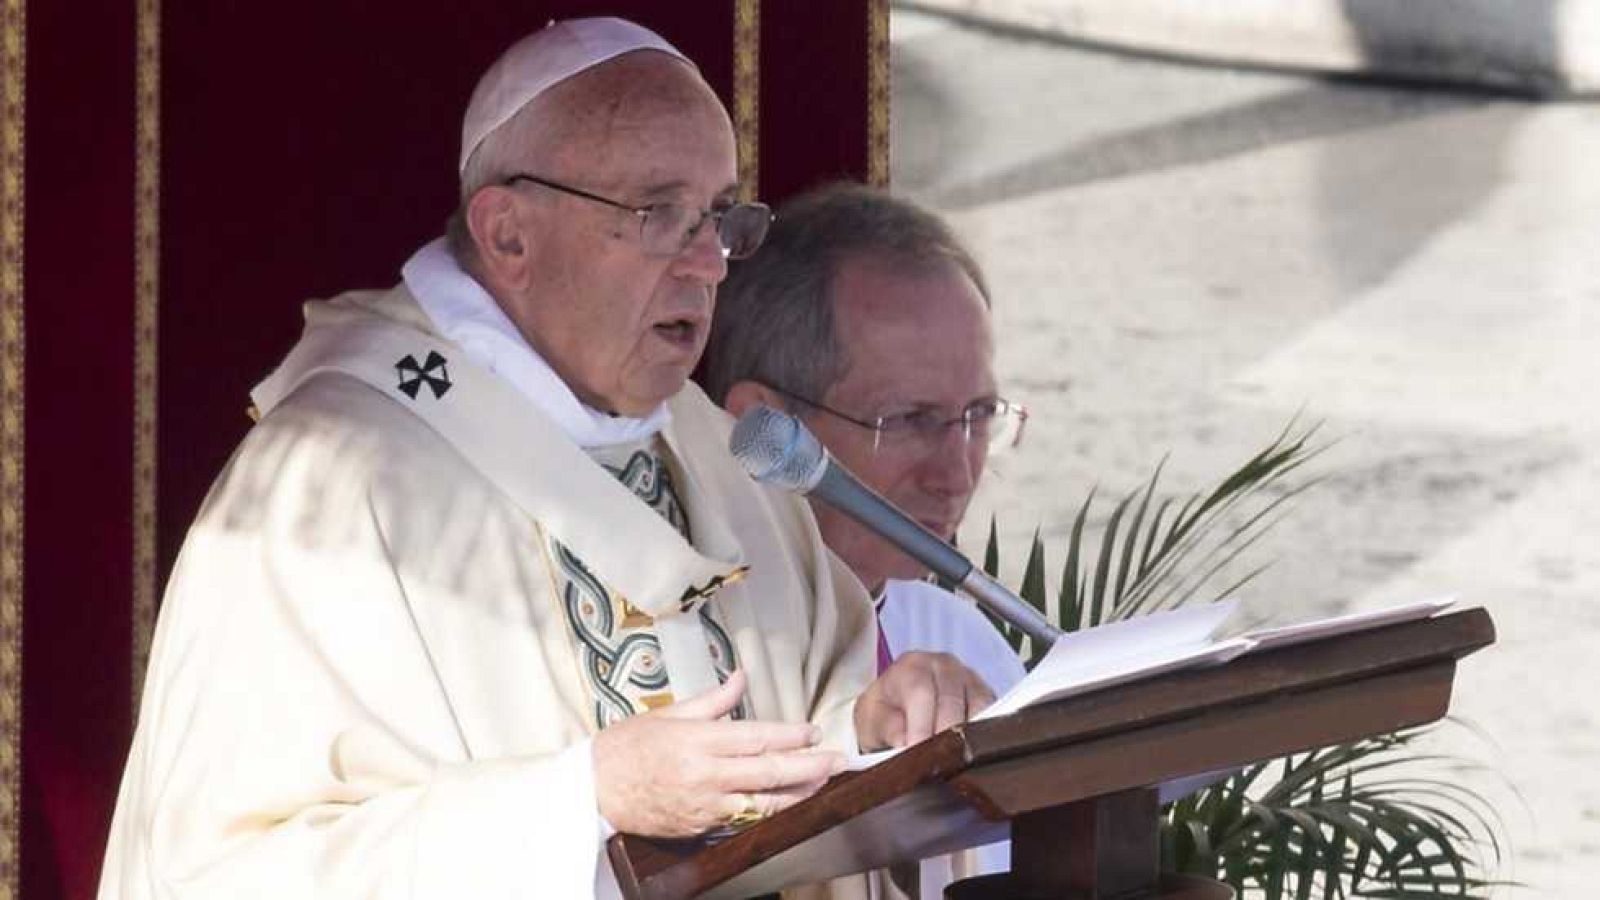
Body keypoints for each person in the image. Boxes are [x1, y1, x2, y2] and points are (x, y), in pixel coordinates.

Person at [98, 20, 990, 900]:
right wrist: (583, 800)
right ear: (509, 235)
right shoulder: (329, 483)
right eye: (657, 215)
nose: (707, 266)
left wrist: (874, 731)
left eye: (719, 219)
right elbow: (219, 873)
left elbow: (808, 731)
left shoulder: (722, 459)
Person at [699, 182, 1030, 897]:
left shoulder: (961, 638)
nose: (956, 473)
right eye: (907, 420)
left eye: (979, 415)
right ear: (763, 428)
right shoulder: (698, 661)